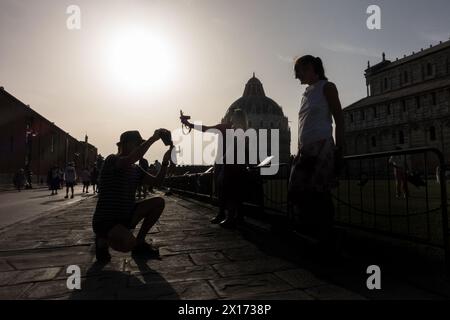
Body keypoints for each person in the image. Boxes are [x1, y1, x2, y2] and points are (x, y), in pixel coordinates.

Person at [288, 55, 344, 255]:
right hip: (305, 149)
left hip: (322, 146)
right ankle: (314, 231)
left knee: (320, 193)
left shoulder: (327, 87)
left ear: (311, 67)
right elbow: (303, 125)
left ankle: (326, 237)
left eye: (299, 71)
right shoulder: (306, 94)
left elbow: (339, 118)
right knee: (297, 191)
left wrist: (340, 151)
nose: (297, 76)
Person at [92, 130, 173, 263]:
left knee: (159, 202)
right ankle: (103, 239)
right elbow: (129, 159)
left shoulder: (136, 169)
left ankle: (140, 241)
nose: (139, 147)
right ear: (125, 144)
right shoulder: (112, 160)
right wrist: (153, 139)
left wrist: (165, 163)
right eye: (137, 144)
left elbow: (157, 182)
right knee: (128, 243)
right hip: (106, 220)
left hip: (126, 215)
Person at [181, 108, 251, 228]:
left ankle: (225, 215)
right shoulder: (243, 131)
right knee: (235, 192)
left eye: (233, 115)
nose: (231, 116)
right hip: (237, 165)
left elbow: (205, 129)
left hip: (225, 164)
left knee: (225, 190)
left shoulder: (225, 127)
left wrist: (189, 125)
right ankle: (236, 217)